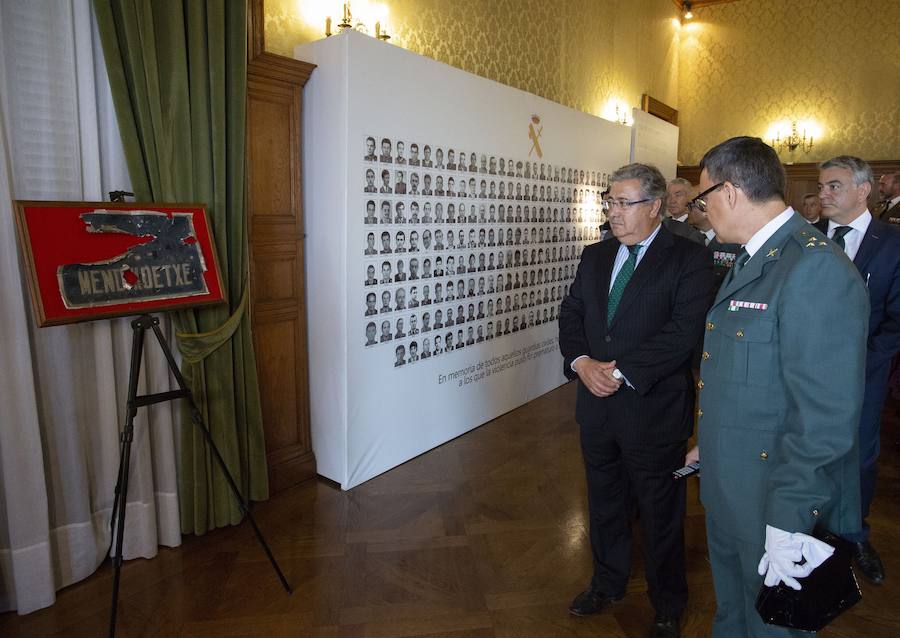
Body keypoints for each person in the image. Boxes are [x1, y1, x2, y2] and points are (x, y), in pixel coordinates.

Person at [686, 137, 868, 638]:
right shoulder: (750, 257)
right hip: (729, 481)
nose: (703, 212)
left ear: (729, 192)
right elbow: (739, 375)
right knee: (733, 614)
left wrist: (789, 521)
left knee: (771, 628)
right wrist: (711, 441)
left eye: (703, 199)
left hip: (773, 499)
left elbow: (825, 417)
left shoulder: (813, 267)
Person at [558, 163, 713, 638]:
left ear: (654, 207)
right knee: (603, 502)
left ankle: (668, 602)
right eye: (610, 202)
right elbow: (572, 314)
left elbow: (683, 334)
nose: (613, 213)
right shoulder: (595, 254)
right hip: (597, 406)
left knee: (659, 510)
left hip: (654, 409)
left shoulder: (688, 257)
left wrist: (620, 372)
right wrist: (581, 362)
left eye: (624, 204)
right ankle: (607, 582)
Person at [817, 155, 900, 585]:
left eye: (834, 186)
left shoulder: (893, 243)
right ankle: (808, 528)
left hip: (864, 376)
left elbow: (896, 320)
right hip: (805, 377)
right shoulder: (805, 240)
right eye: (822, 186)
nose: (823, 194)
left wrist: (857, 362)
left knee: (859, 459)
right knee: (807, 452)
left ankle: (854, 534)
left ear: (864, 189)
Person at [662, 178, 706, 245]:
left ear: (690, 197)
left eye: (678, 195)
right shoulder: (662, 224)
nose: (672, 201)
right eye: (668, 196)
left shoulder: (697, 225)